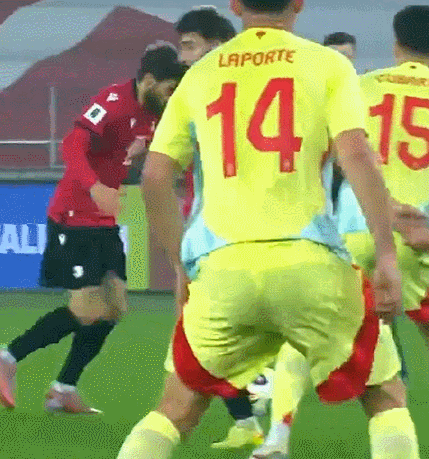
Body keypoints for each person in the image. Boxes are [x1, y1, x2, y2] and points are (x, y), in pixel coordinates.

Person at [116, 0, 404, 458]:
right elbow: (355, 155)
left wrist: (180, 266)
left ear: (235, 5)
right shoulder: (328, 64)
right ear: (299, 4)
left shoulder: (201, 74)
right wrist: (386, 254)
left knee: (176, 409)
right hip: (311, 264)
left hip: (223, 269)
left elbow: (154, 175)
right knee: (385, 396)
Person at [260, 6, 429, 459]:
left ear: (395, 44)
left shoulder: (360, 86)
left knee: (305, 333)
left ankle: (277, 438)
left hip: (353, 229)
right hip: (417, 234)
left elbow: (325, 153)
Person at [0, 43, 187, 415]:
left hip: (103, 221)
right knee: (87, 310)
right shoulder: (113, 101)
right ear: (148, 80)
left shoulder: (154, 113)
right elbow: (72, 144)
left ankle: (63, 390)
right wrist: (95, 187)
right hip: (73, 216)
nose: (171, 97)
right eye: (169, 88)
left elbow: (130, 146)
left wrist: (138, 155)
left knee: (115, 307)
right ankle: (7, 357)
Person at [168, 6, 270, 451]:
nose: (183, 57)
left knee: (198, 344)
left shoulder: (209, 90)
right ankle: (248, 417)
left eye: (189, 46)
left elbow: (158, 173)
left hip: (226, 235)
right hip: (236, 229)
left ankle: (263, 384)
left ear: (217, 45)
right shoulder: (227, 88)